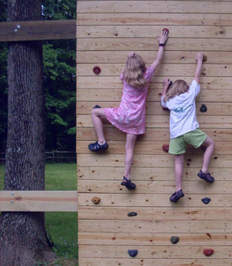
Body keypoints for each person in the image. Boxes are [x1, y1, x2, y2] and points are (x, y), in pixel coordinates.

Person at [88, 29, 169, 190]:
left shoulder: (125, 76)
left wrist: (128, 57)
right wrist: (161, 43)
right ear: (142, 66)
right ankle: (126, 176)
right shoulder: (147, 75)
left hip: (122, 115)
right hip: (136, 120)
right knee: (129, 148)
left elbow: (127, 69)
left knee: (95, 112)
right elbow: (158, 59)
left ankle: (102, 141)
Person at [161, 53, 215, 203]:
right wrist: (199, 61)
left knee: (178, 162)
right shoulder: (190, 94)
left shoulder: (170, 101)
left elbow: (162, 100)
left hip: (176, 134)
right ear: (185, 88)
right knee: (211, 144)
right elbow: (197, 77)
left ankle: (178, 189)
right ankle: (204, 170)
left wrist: (165, 85)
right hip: (190, 131)